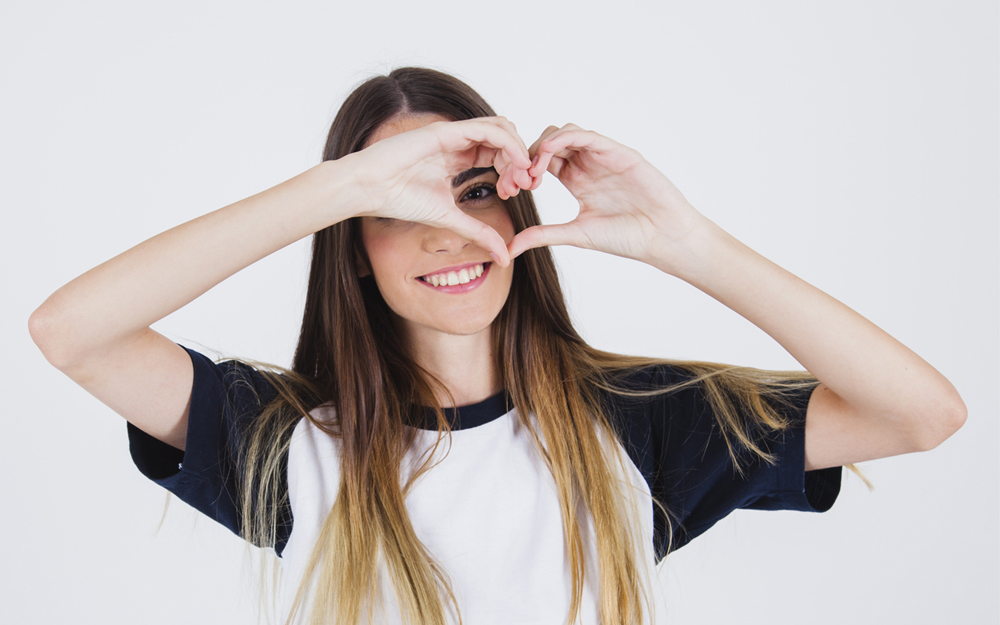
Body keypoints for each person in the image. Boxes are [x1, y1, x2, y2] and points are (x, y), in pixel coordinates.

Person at [27, 67, 966, 625]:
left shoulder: (640, 427)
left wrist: (691, 244)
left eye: (475, 191)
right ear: (353, 245)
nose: (448, 231)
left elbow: (923, 413)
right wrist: (337, 187)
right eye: (400, 207)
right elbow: (71, 333)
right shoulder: (291, 443)